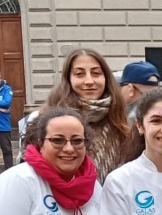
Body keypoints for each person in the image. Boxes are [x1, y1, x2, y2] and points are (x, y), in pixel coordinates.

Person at [46, 48, 133, 180]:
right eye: (80, 74)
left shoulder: (121, 123)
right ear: (68, 79)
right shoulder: (47, 121)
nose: (89, 81)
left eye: (96, 73)